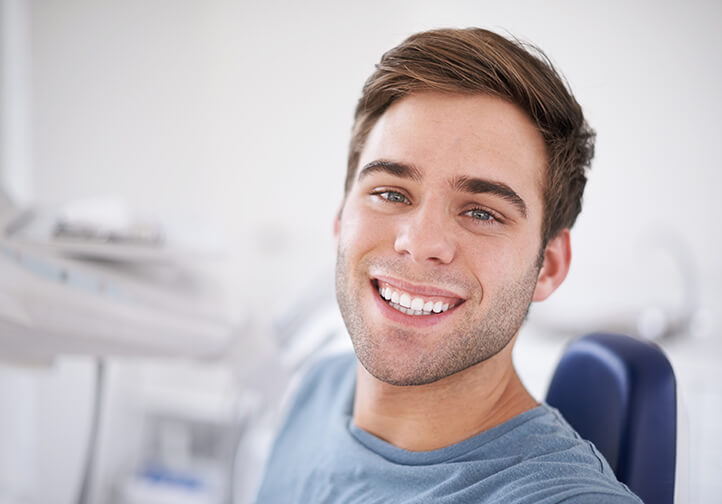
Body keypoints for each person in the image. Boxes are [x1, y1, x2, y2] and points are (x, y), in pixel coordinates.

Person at [255, 28, 643, 503]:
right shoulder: (320, 387)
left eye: (482, 212)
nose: (419, 243)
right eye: (391, 193)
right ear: (341, 219)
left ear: (549, 266)